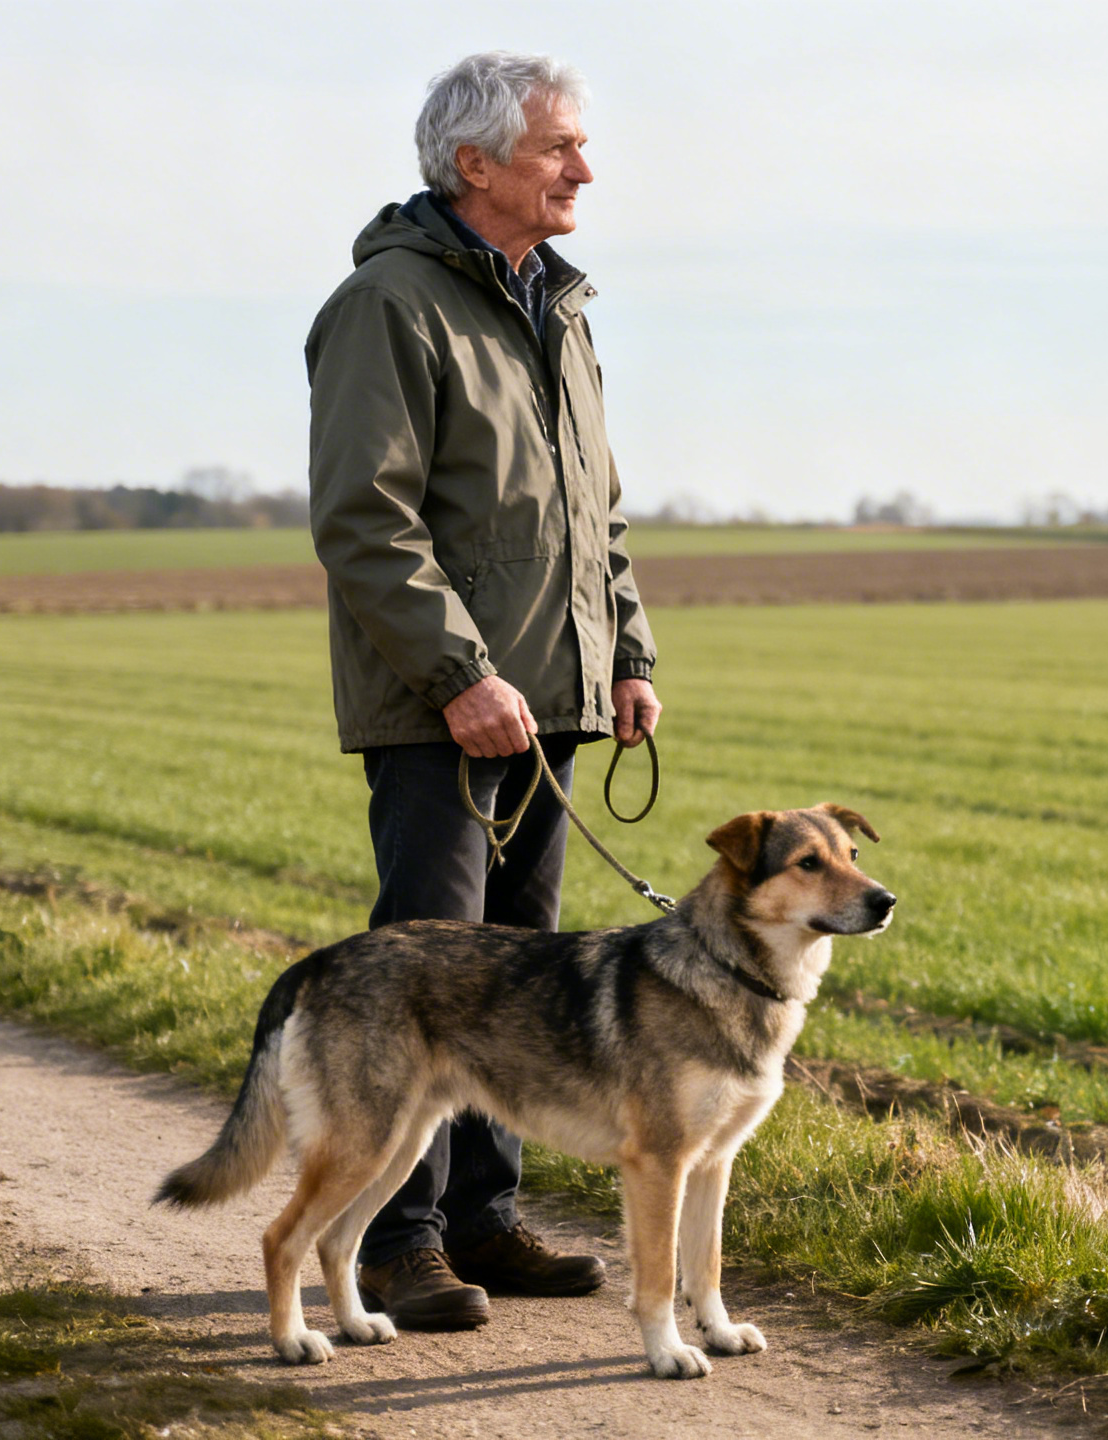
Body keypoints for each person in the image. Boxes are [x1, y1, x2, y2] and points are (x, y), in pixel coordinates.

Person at [304, 50, 659, 1332]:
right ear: (476, 166)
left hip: (553, 702)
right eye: (560, 147)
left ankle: (482, 1222)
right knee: (427, 983)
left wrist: (625, 654)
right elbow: (367, 521)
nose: (583, 168)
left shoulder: (560, 309)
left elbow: (592, 515)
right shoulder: (387, 305)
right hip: (440, 711)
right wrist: (461, 676)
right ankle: (395, 1238)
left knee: (520, 979)